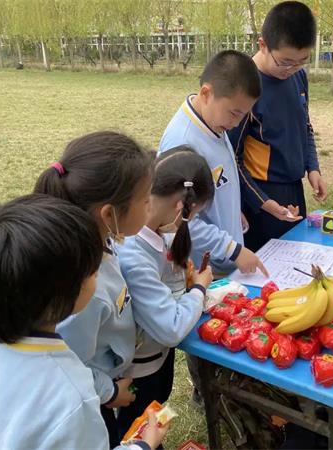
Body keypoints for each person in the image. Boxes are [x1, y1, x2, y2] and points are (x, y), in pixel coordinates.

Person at [0, 194, 166, 450]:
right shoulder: (70, 396)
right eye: (93, 270)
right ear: (63, 297)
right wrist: (143, 446)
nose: (99, 274)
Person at [34, 131, 153, 446]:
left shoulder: (102, 240)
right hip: (92, 398)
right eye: (145, 199)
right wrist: (110, 392)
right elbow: (70, 364)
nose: (151, 205)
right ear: (109, 214)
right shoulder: (84, 291)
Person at [116, 147, 215, 435]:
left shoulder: (159, 233)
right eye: (192, 215)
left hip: (159, 358)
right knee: (135, 427)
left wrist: (184, 280)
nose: (189, 223)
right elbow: (170, 327)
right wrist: (198, 288)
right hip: (138, 372)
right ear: (179, 206)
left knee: (155, 414)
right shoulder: (133, 253)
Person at [228, 1, 327, 252]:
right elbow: (231, 159)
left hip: (294, 190)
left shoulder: (298, 76)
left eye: (301, 61)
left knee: (296, 263)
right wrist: (263, 202)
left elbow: (305, 127)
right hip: (260, 198)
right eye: (284, 62)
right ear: (263, 44)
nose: (291, 69)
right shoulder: (244, 86)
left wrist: (312, 167)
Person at [160, 50, 267, 278]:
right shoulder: (182, 141)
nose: (237, 123)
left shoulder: (214, 120)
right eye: (234, 113)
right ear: (206, 93)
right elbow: (177, 218)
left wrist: (230, 211)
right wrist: (232, 249)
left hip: (226, 259)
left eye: (244, 116)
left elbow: (219, 177)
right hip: (206, 270)